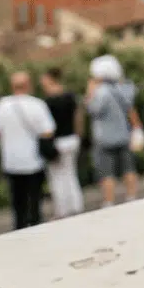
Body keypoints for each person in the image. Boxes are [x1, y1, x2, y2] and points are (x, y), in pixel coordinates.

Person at [0, 72, 55, 230]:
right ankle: (35, 224)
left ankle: (21, 227)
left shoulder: (3, 105)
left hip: (11, 160)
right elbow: (48, 130)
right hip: (33, 158)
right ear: (28, 85)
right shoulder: (36, 104)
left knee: (18, 200)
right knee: (35, 198)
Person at [85, 58, 143, 206]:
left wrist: (90, 93)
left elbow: (94, 110)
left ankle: (109, 201)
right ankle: (131, 196)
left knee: (107, 172)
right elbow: (130, 107)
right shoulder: (124, 87)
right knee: (128, 167)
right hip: (124, 134)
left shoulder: (101, 92)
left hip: (104, 137)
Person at [40, 67, 84, 219]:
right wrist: (79, 135)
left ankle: (62, 209)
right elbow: (78, 117)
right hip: (71, 138)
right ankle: (76, 205)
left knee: (57, 177)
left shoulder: (47, 102)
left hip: (57, 141)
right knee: (71, 173)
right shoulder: (70, 96)